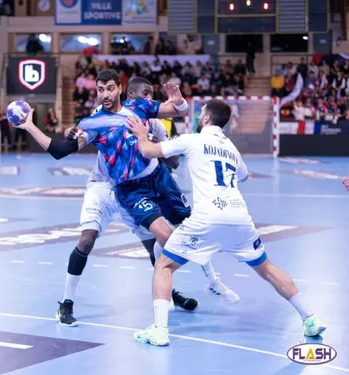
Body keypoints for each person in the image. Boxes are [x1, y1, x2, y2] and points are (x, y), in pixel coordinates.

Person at [18, 70, 239, 323]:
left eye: (109, 89)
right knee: (88, 240)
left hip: (145, 182)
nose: (105, 95)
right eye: (100, 90)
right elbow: (59, 150)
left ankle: (179, 290)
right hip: (108, 187)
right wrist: (30, 127)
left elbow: (177, 111)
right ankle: (66, 302)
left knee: (163, 240)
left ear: (120, 89)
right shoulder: (94, 122)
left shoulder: (140, 108)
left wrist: (177, 100)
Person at [124, 98, 326, 346]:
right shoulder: (231, 148)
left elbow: (147, 152)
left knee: (164, 266)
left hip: (207, 217)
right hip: (239, 217)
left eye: (201, 114)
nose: (198, 117)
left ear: (206, 118)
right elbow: (243, 176)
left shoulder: (193, 139)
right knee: (268, 269)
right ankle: (310, 318)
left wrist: (143, 135)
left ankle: (159, 330)